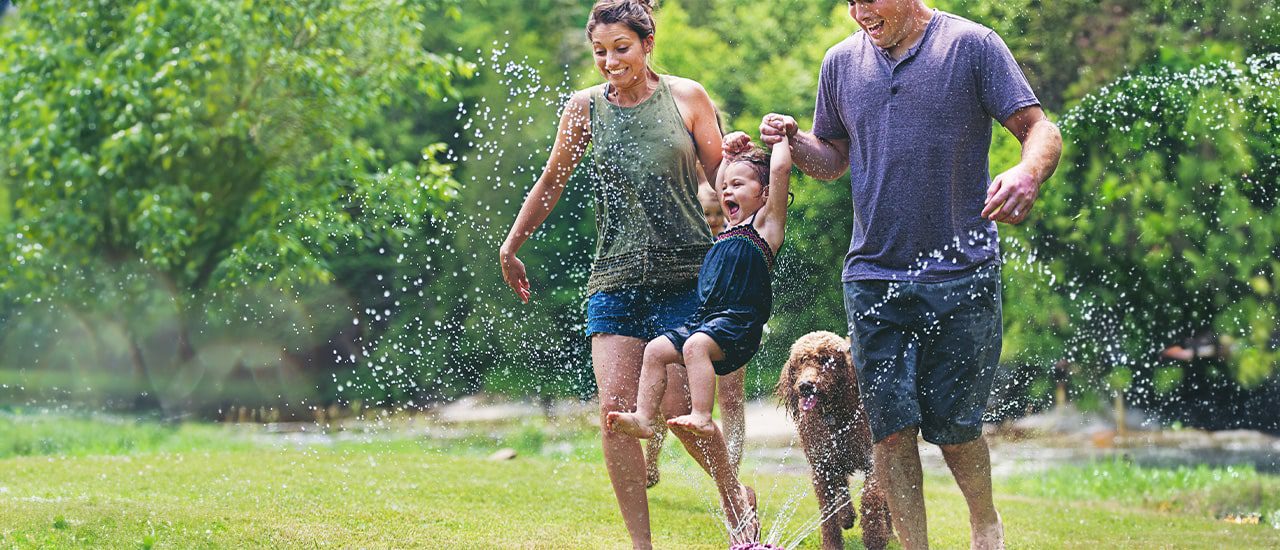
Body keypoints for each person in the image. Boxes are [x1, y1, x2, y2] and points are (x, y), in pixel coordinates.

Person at [759, 1, 1062, 549]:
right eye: (849, 2)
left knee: (954, 427)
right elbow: (832, 160)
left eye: (868, 0)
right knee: (891, 429)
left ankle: (984, 523)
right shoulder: (840, 63)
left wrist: (1028, 170)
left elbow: (1040, 129)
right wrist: (793, 139)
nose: (858, 13)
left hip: (961, 273)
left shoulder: (972, 45)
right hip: (873, 275)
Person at [498, 1, 728, 548]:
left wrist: (751, 244)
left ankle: (734, 495)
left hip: (687, 276)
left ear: (647, 44)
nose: (609, 61)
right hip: (615, 277)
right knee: (614, 413)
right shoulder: (584, 109)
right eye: (599, 51)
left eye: (620, 48)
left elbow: (726, 180)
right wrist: (511, 245)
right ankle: (641, 544)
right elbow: (552, 181)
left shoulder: (688, 98)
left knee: (678, 413)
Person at [607, 130, 790, 543]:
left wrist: (781, 140)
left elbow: (779, 169)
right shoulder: (726, 228)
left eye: (740, 184)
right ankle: (642, 418)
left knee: (693, 347)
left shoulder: (765, 227)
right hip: (707, 320)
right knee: (656, 349)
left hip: (738, 325)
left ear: (764, 195)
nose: (728, 190)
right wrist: (728, 155)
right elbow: (717, 182)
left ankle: (703, 417)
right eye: (727, 187)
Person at [643, 173, 748, 489]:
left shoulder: (735, 236)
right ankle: (651, 460)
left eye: (718, 214)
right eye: (707, 215)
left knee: (731, 398)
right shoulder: (683, 237)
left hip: (730, 322)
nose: (714, 220)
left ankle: (730, 475)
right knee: (671, 399)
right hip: (687, 323)